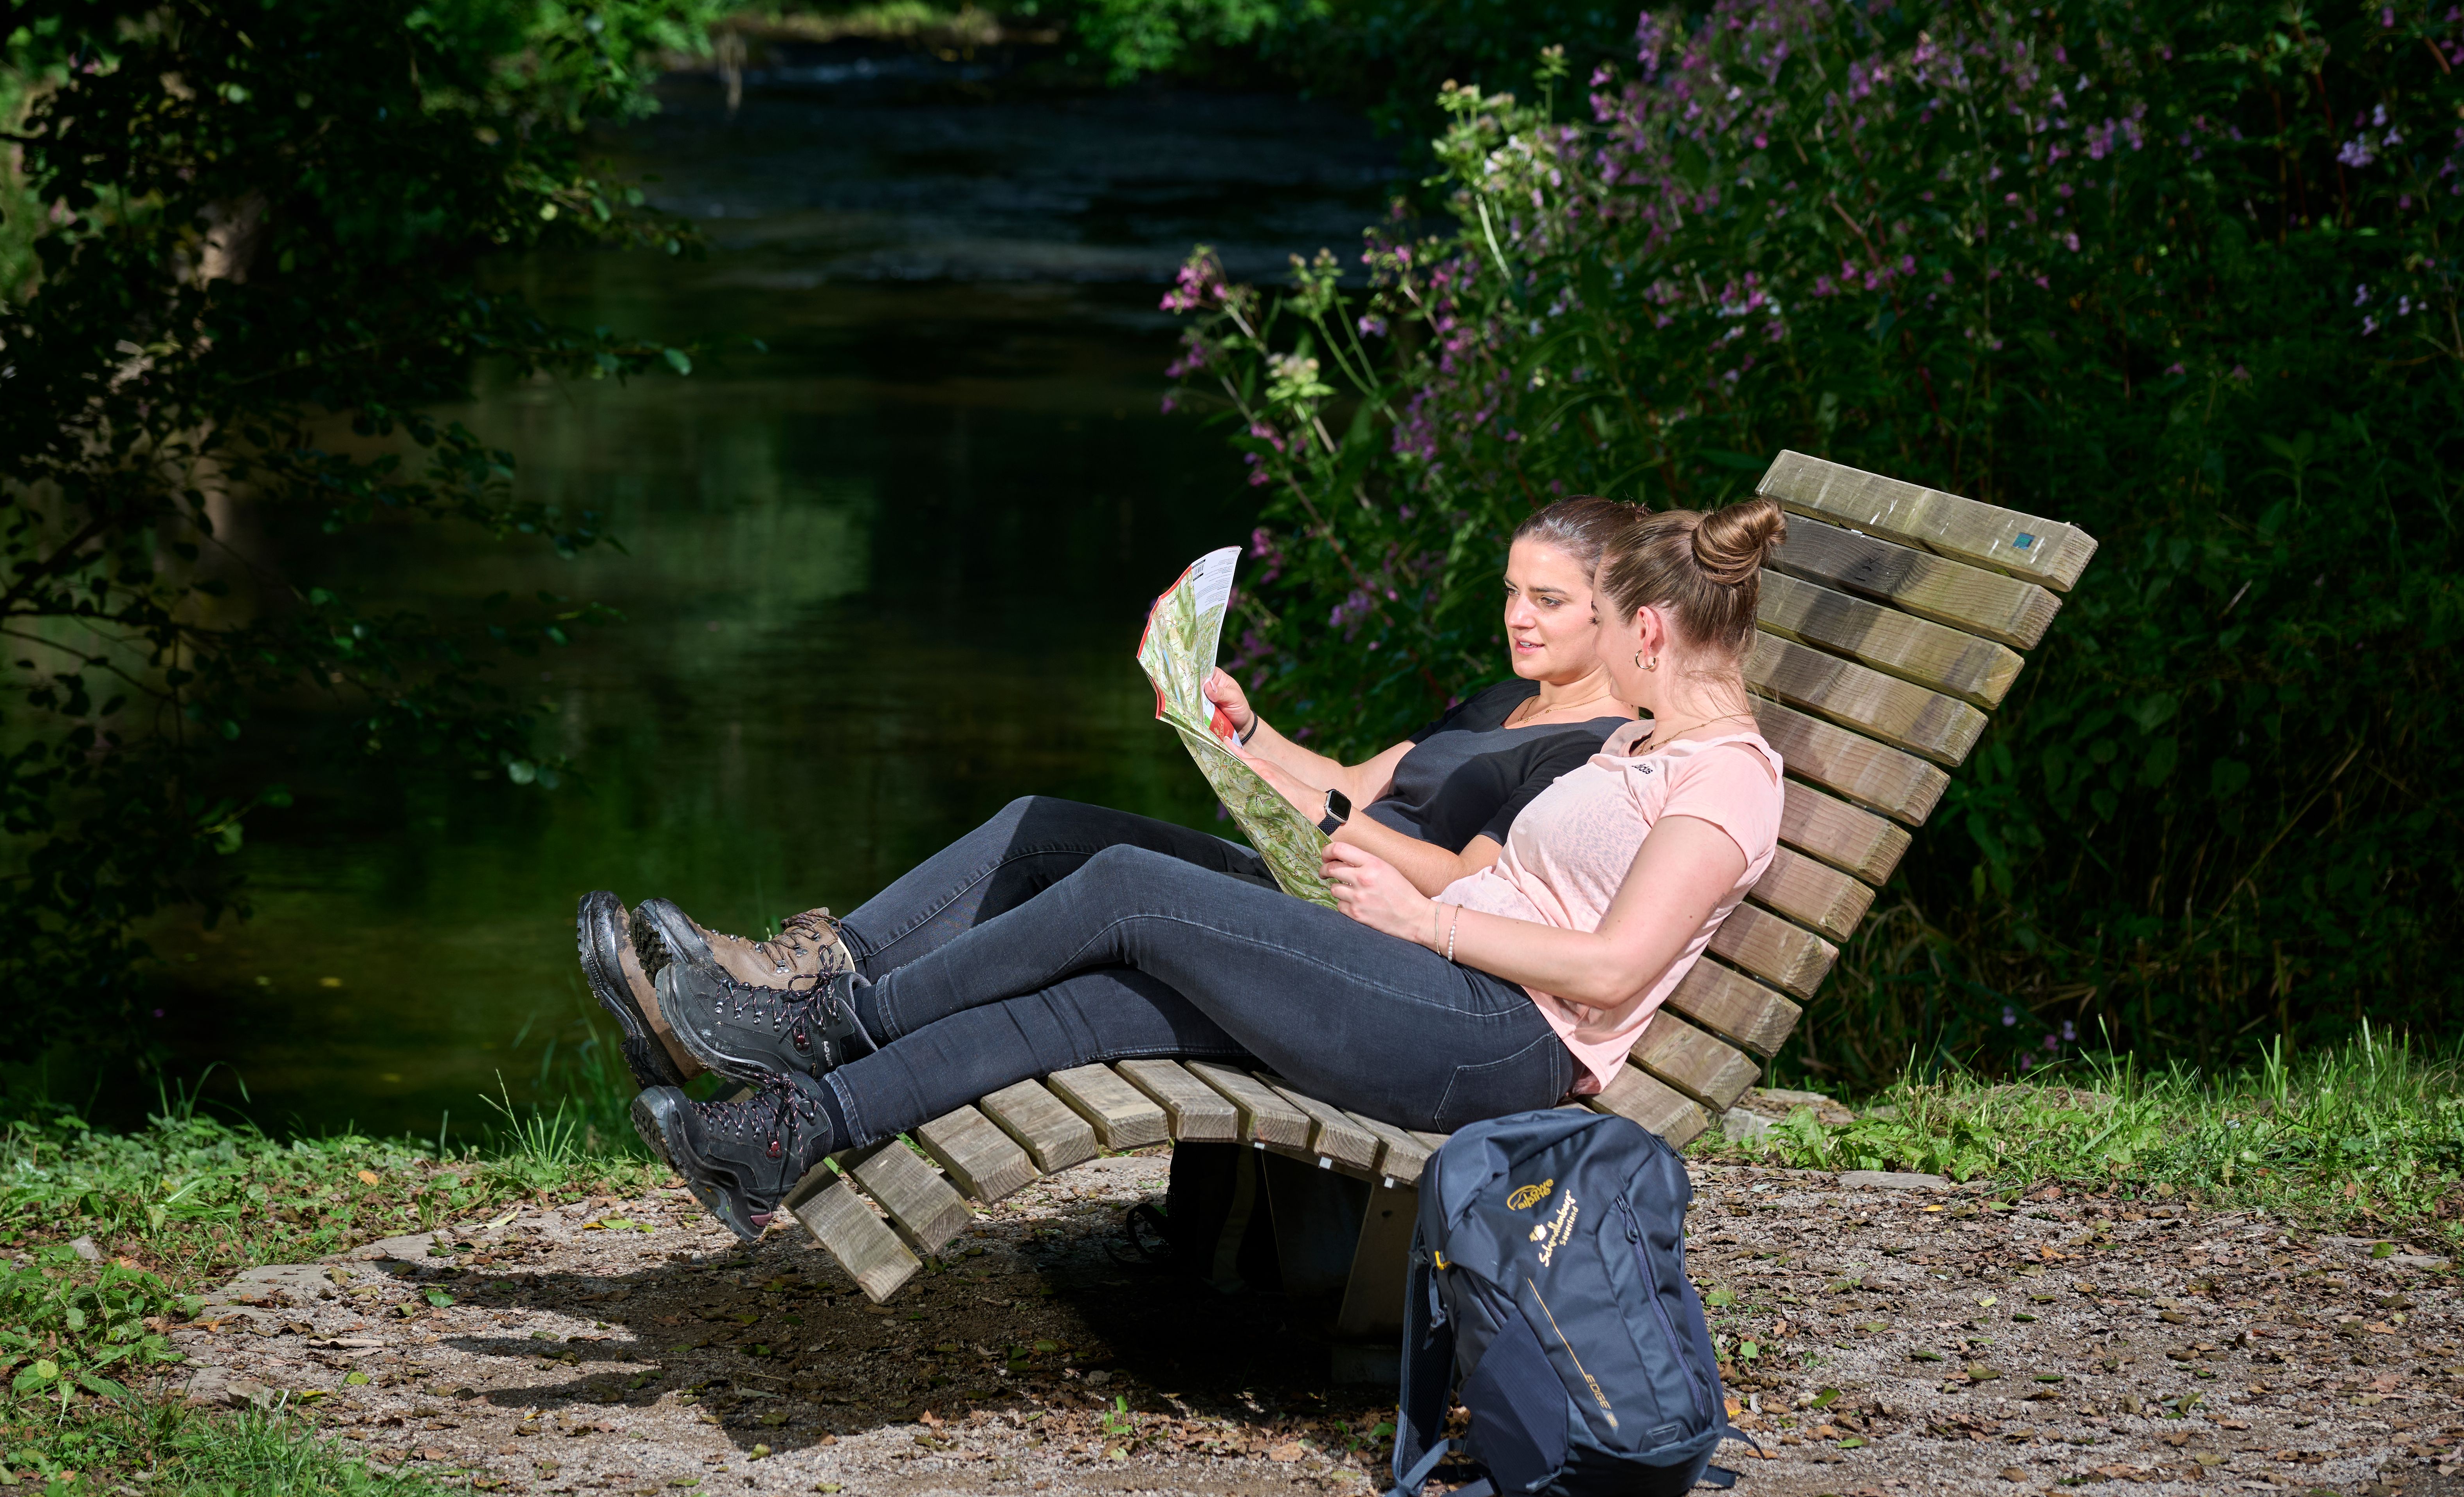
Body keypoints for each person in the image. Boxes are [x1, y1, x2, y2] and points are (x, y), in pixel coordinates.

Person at [598, 494, 1790, 1241]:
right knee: (1107, 999)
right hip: (1431, 981)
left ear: (1645, 631)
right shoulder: (1641, 741)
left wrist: (1428, 926)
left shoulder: (1725, 778)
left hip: (1498, 1037)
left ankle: (827, 1028)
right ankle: (788, 1135)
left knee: (1128, 887)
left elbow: (1613, 966)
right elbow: (1482, 863)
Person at [576, 498, 1640, 1091]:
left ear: (1616, 616)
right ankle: (783, 978)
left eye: (1549, 601)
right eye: (1511, 591)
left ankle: (799, 1026)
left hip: (1374, 944)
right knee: (1045, 829)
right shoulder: (1510, 700)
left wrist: (1314, 819)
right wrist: (1246, 734)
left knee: (1118, 889)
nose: (1520, 617)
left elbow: (1465, 880)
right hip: (1310, 884)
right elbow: (1368, 784)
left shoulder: (1592, 749)